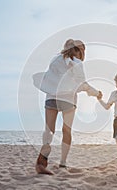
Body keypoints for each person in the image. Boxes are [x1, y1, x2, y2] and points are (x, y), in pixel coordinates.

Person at [34, 39, 101, 175]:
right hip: (68, 100)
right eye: (82, 49)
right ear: (77, 50)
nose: (83, 52)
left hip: (52, 97)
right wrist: (96, 93)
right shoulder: (77, 63)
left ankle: (42, 160)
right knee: (67, 131)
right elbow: (82, 84)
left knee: (49, 130)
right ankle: (63, 164)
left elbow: (49, 78)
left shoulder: (55, 59)